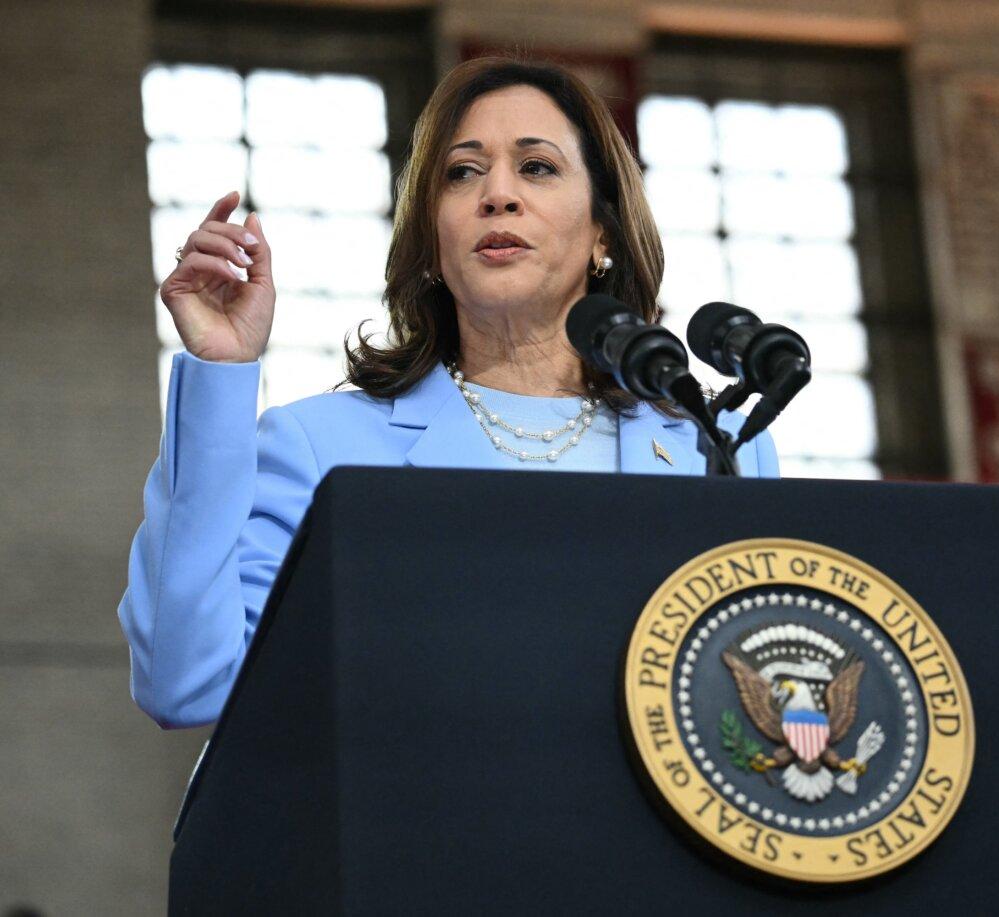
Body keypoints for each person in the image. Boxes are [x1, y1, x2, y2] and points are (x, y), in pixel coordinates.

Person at [119, 57, 779, 730]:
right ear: (432, 242)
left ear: (602, 231)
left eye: (537, 167)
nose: (497, 194)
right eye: (463, 173)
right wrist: (222, 373)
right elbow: (188, 683)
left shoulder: (715, 447)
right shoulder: (322, 448)